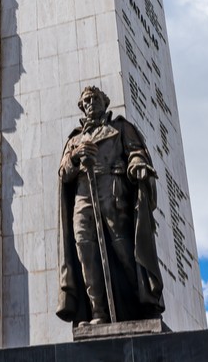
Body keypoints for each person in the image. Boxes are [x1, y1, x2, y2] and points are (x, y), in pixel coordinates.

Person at [56, 86, 164, 327]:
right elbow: (63, 174)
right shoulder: (74, 139)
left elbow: (136, 152)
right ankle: (98, 313)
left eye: (95, 99)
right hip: (84, 196)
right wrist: (75, 155)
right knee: (86, 252)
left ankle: (140, 306)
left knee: (124, 250)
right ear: (82, 107)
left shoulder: (119, 128)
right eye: (86, 100)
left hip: (113, 194)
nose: (91, 103)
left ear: (104, 103)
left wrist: (137, 165)